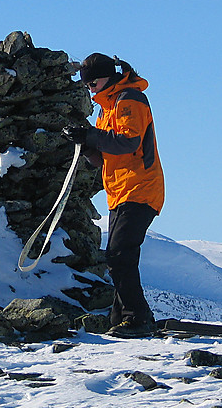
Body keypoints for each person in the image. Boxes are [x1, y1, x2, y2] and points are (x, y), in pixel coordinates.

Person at [62, 52, 165, 338]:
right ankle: (121, 318)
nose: (89, 87)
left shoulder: (129, 99)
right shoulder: (107, 107)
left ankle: (138, 318)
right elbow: (104, 156)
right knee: (118, 256)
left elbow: (128, 142)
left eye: (93, 81)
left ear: (108, 76)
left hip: (140, 187)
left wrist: (91, 136)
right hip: (120, 190)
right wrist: (85, 144)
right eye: (86, 83)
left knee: (120, 255)